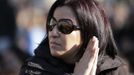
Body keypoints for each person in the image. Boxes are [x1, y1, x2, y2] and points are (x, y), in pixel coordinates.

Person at [19, 0, 129, 75]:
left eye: (64, 26)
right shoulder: (32, 70)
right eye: (52, 24)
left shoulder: (114, 70)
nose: (53, 33)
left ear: (88, 32)